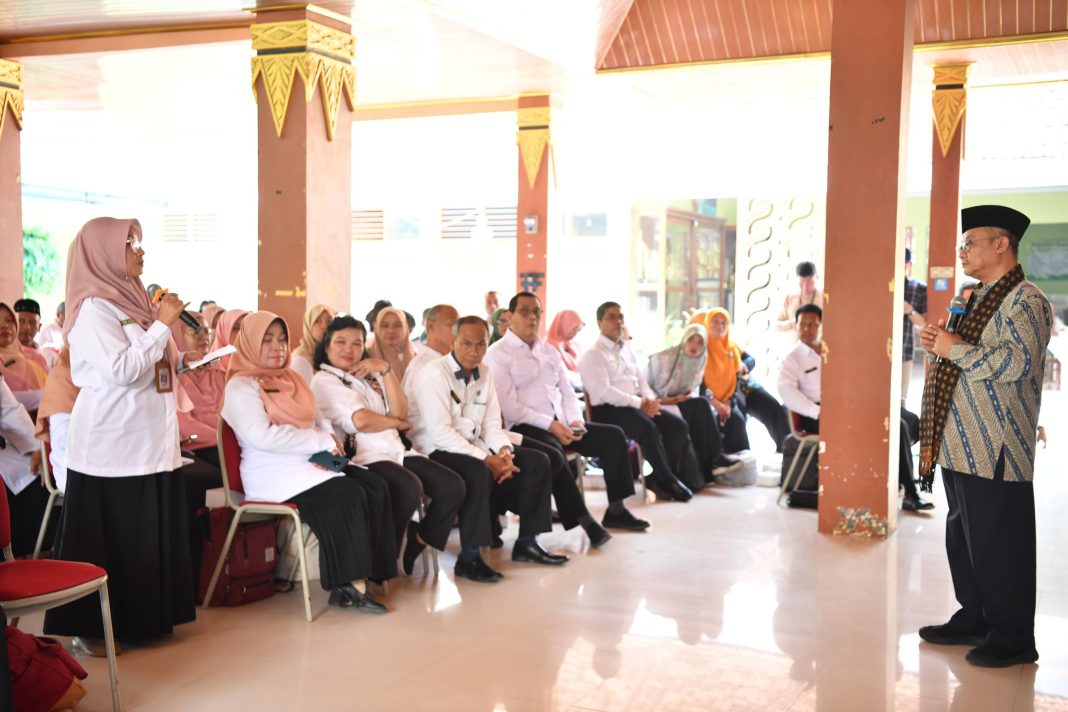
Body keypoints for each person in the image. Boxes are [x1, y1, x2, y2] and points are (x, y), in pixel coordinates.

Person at [43, 217, 196, 652]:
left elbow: (147, 362)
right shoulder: (93, 310)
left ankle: (142, 620)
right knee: (112, 539)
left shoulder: (133, 304)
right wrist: (163, 325)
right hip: (112, 444)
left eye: (138, 243)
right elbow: (121, 369)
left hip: (148, 440)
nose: (140, 251)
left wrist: (183, 359)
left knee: (141, 538)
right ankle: (91, 628)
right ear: (104, 254)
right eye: (131, 244)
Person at [917, 205, 1051, 668]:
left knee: (1001, 543)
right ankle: (975, 617)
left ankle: (1013, 637)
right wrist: (941, 343)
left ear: (1001, 244)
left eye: (970, 242)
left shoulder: (1026, 301)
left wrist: (955, 349)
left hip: (996, 443)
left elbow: (1017, 364)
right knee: (965, 539)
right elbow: (963, 356)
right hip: (959, 439)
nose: (962, 251)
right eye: (962, 243)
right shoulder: (974, 297)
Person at [221, 311, 392, 612]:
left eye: (282, 340)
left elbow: (318, 418)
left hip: (307, 462)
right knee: (346, 494)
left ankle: (366, 573)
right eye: (267, 340)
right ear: (248, 343)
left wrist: (331, 442)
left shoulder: (292, 379)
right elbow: (264, 437)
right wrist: (321, 441)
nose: (278, 347)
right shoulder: (240, 387)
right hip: (272, 472)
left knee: (375, 484)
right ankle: (351, 583)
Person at [408, 315, 564, 581]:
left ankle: (527, 541)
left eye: (480, 344)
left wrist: (503, 451)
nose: (474, 351)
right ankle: (469, 558)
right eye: (466, 343)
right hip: (433, 448)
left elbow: (492, 421)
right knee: (478, 471)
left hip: (472, 443)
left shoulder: (485, 371)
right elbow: (439, 433)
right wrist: (486, 458)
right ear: (453, 341)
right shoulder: (434, 374)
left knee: (538, 461)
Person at [487, 292, 650, 544]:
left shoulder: (548, 351)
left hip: (562, 424)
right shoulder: (499, 353)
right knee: (553, 451)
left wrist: (575, 421)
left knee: (613, 436)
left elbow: (567, 392)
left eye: (536, 312)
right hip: (526, 426)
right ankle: (584, 520)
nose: (531, 317)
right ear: (510, 317)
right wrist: (551, 425)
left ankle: (616, 509)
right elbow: (509, 408)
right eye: (524, 311)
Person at [311, 314, 465, 575]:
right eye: (341, 342)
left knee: (453, 487)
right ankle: (382, 563)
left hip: (396, 450)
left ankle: (420, 538)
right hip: (363, 456)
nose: (349, 349)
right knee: (408, 487)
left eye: (357, 343)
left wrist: (385, 369)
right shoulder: (324, 380)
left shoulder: (369, 375)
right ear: (326, 347)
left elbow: (401, 411)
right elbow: (360, 421)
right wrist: (394, 422)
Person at [779, 304, 932, 511]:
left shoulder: (832, 349)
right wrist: (820, 412)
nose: (807, 328)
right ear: (796, 326)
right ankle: (909, 492)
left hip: (848, 407)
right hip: (818, 415)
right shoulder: (793, 358)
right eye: (803, 324)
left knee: (911, 420)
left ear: (822, 325)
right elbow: (787, 393)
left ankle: (891, 470)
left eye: (813, 324)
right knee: (898, 427)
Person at [578, 301, 699, 502]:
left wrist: (650, 401)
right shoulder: (594, 355)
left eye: (621, 317)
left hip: (637, 405)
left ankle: (657, 478)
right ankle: (668, 480)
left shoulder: (625, 348)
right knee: (648, 429)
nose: (618, 322)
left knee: (678, 426)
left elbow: (641, 381)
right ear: (600, 323)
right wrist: (639, 404)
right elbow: (604, 392)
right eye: (611, 317)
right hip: (609, 410)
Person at [646, 322, 743, 481]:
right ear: (684, 339)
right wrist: (666, 400)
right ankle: (709, 464)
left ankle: (715, 459)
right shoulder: (663, 358)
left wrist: (685, 397)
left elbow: (694, 389)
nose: (694, 346)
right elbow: (644, 387)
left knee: (702, 404)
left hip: (676, 403)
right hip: (655, 404)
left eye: (700, 343)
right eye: (691, 340)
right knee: (699, 412)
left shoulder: (699, 361)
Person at [700, 308, 791, 454]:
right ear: (707, 323)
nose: (719, 326)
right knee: (737, 420)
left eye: (724, 323)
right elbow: (699, 382)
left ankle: (787, 450)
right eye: (715, 322)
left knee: (773, 408)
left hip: (744, 386)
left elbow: (751, 360)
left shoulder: (732, 346)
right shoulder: (701, 349)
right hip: (725, 395)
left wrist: (743, 366)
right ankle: (741, 460)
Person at [1, 373, 48, 557]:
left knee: (37, 471)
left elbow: (10, 411)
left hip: (7, 452)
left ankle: (39, 554)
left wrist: (37, 449)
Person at [0, 303, 48, 414]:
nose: (4, 325)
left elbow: (52, 383)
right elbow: (5, 400)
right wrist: (48, 395)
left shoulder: (36, 356)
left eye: (9, 320)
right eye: (22, 321)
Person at [902, 247, 928, 403]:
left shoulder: (919, 288)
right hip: (877, 352)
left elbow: (924, 324)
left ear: (909, 265)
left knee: (901, 401)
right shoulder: (880, 286)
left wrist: (909, 310)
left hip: (905, 352)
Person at [368, 306, 418, 384]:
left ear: (406, 328)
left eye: (398, 325)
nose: (391, 331)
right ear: (376, 328)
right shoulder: (365, 357)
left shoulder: (416, 359)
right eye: (385, 325)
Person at [291, 303, 335, 384]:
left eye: (329, 321)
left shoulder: (335, 356)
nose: (324, 326)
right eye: (317, 321)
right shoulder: (300, 358)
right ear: (308, 326)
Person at [777, 260, 825, 330]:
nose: (805, 287)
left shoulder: (824, 297)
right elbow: (776, 325)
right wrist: (790, 324)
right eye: (801, 283)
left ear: (817, 277)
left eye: (810, 283)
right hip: (794, 339)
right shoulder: (790, 297)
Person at [545, 309, 585, 390]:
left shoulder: (573, 345)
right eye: (574, 329)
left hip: (577, 388)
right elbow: (563, 376)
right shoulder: (549, 347)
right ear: (564, 326)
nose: (575, 334)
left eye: (578, 330)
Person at [13, 299, 50, 373]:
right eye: (21, 321)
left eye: (32, 322)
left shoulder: (48, 356)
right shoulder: (3, 354)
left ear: (39, 326)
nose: (27, 327)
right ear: (13, 324)